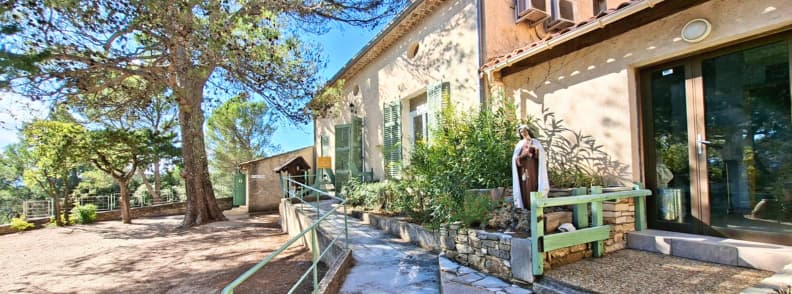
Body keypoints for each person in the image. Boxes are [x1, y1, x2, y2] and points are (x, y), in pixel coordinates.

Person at [511, 125, 549, 209]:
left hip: (533, 167)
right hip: (523, 168)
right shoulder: (519, 144)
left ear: (528, 131)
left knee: (533, 182)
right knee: (525, 184)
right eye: (521, 132)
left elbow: (541, 155)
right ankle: (525, 205)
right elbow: (515, 157)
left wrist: (535, 151)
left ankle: (534, 205)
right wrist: (520, 157)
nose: (523, 133)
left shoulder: (535, 142)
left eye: (524, 131)